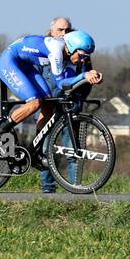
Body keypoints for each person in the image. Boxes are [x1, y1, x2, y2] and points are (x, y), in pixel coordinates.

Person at [0, 31, 102, 169]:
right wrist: (85, 75)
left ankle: (35, 151)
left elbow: (70, 82)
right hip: (9, 61)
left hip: (25, 65)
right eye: (82, 56)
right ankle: (1, 130)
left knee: (48, 104)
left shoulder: (70, 56)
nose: (83, 61)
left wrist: (91, 77)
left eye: (87, 58)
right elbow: (61, 83)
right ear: (71, 48)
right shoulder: (57, 50)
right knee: (35, 102)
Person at [39, 16, 91, 193]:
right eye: (60, 30)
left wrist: (78, 99)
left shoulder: (78, 49)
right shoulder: (45, 51)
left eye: (67, 30)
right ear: (51, 31)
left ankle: (74, 188)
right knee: (46, 149)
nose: (63, 34)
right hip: (49, 105)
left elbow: (86, 79)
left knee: (72, 150)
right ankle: (48, 189)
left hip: (70, 107)